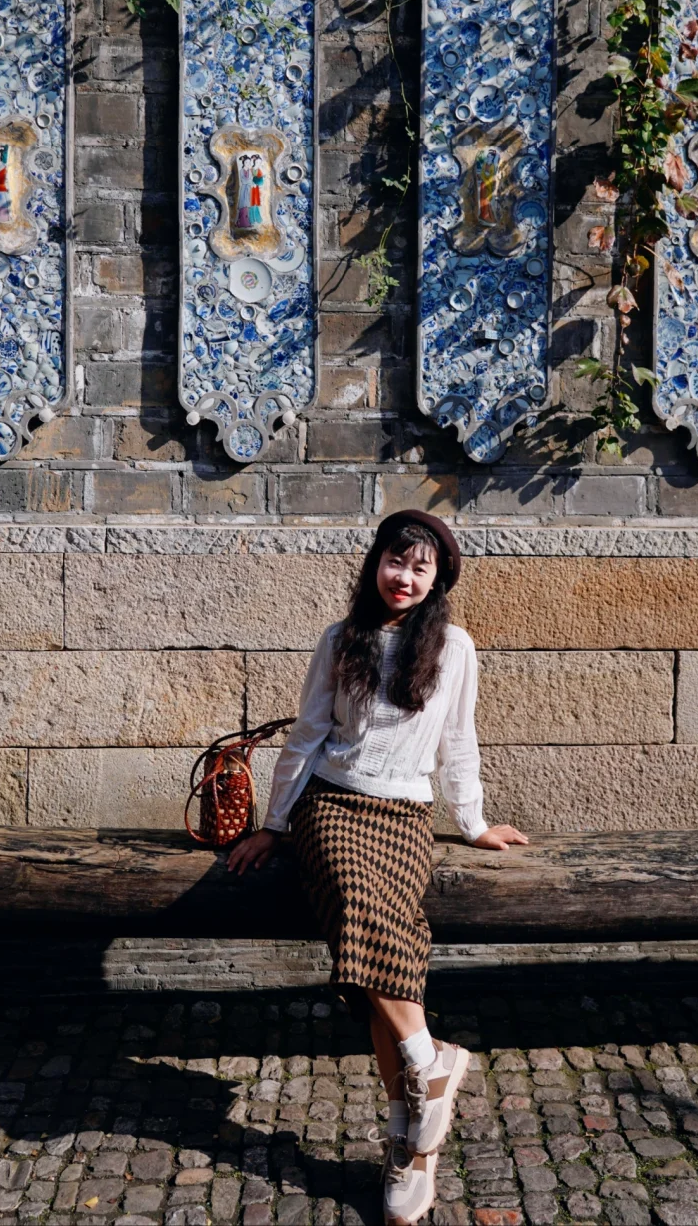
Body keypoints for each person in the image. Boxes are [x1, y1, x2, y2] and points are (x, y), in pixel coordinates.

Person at [228, 510, 528, 1225]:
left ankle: (407, 1139)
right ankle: (431, 1059)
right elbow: (307, 735)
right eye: (396, 562)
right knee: (360, 900)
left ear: (437, 581)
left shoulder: (454, 648)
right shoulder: (341, 639)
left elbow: (459, 740)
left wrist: (475, 823)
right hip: (332, 804)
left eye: (421, 568)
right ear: (375, 565)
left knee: (377, 969)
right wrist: (273, 825)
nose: (405, 577)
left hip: (404, 815)